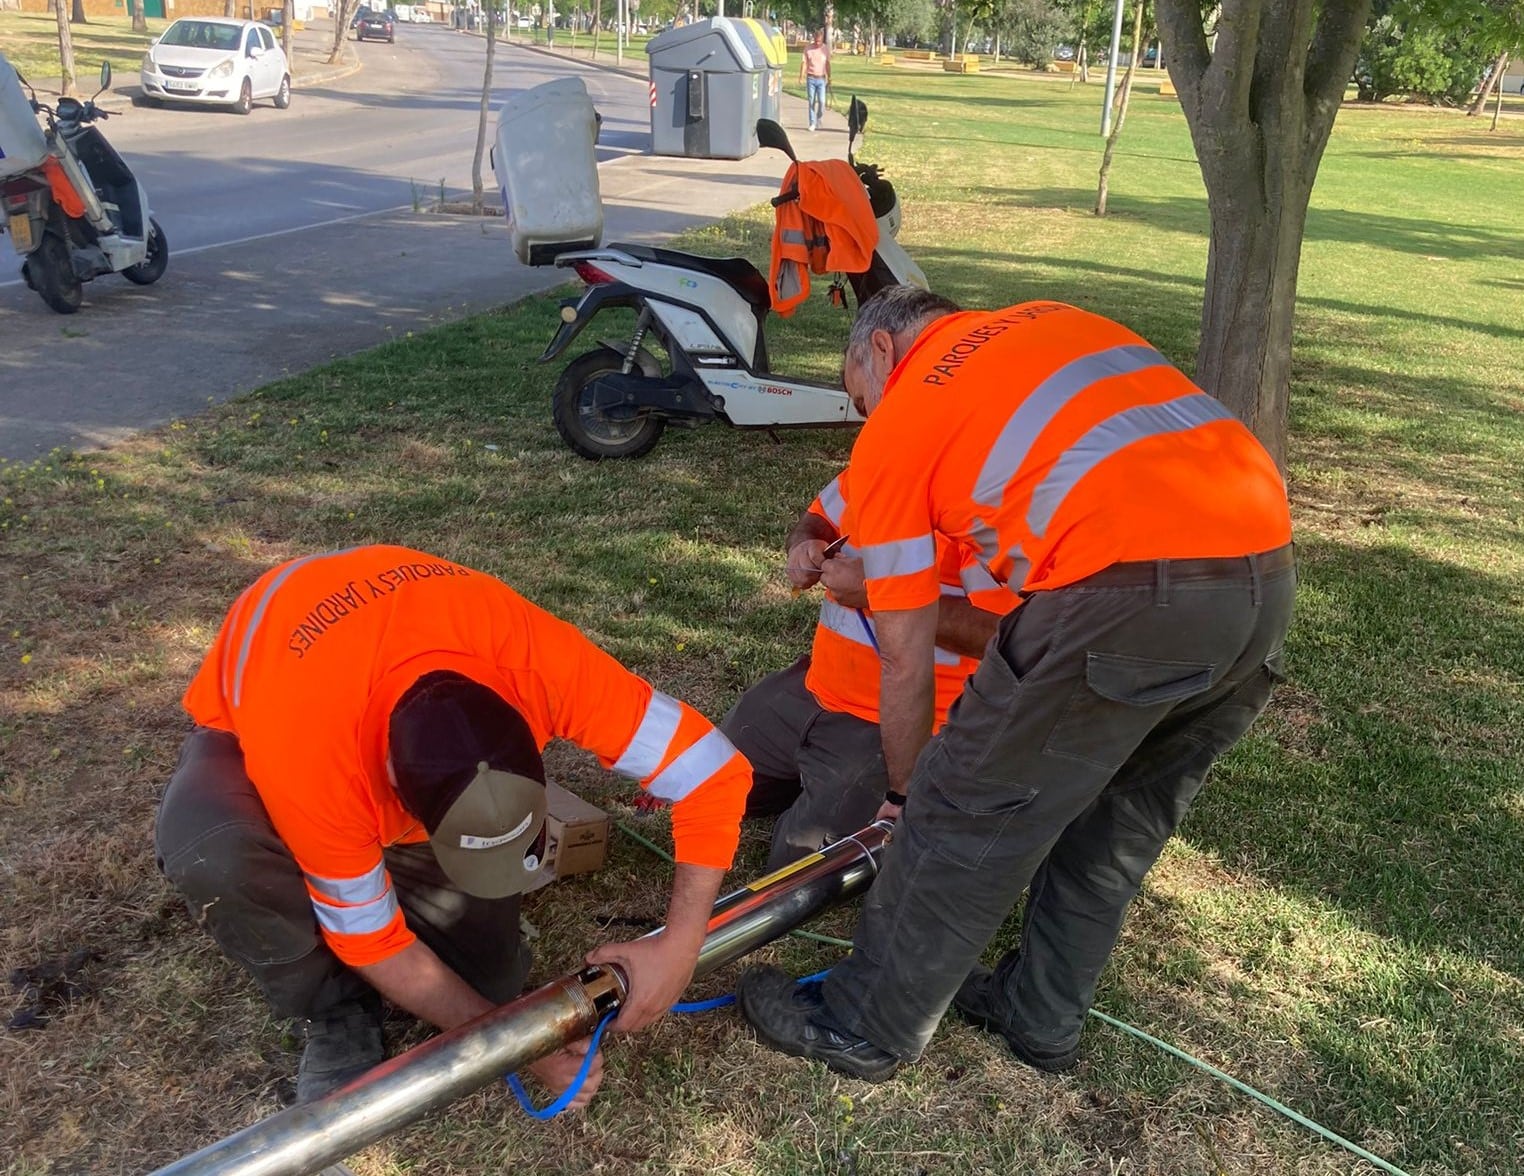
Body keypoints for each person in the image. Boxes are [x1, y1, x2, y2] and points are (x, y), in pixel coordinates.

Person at [737, 287, 1295, 1081]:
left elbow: (905, 651)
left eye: (862, 399)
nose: (867, 422)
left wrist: (904, 794)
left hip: (1123, 590)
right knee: (1115, 821)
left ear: (884, 352)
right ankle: (1039, 1019)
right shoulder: (1055, 320)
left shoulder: (904, 421)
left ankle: (863, 1024)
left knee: (960, 799)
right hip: (1264, 572)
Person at [155, 544, 750, 1106]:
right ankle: (333, 1011)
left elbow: (714, 771)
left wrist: (680, 946)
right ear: (389, 785)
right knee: (217, 855)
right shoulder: (312, 757)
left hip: (402, 655)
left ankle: (411, 881)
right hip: (265, 710)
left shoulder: (538, 663)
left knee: (489, 977)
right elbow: (371, 940)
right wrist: (513, 1049)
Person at [724, 469, 1010, 868]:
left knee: (795, 868)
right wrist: (806, 544)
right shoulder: (879, 456)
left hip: (898, 723)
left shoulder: (985, 497)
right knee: (705, 787)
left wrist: (881, 594)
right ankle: (818, 782)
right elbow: (818, 517)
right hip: (813, 688)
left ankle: (868, 794)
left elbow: (1001, 634)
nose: (854, 403)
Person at [799, 28, 830, 131]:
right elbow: (804, 63)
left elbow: (827, 64)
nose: (817, 43)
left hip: (821, 79)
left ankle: (819, 118)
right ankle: (812, 123)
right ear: (814, 39)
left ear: (822, 40)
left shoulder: (825, 49)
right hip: (811, 78)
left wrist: (829, 77)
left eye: (819, 41)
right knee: (811, 101)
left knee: (822, 102)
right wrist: (801, 77)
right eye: (816, 41)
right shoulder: (808, 49)